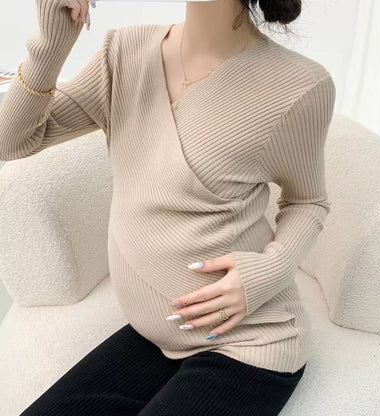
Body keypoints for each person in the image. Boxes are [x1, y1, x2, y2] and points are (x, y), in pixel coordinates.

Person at [0, 0, 336, 414]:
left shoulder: (299, 84)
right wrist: (52, 44)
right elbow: (12, 140)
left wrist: (269, 270)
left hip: (249, 343)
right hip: (156, 335)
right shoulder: (123, 52)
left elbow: (308, 201)